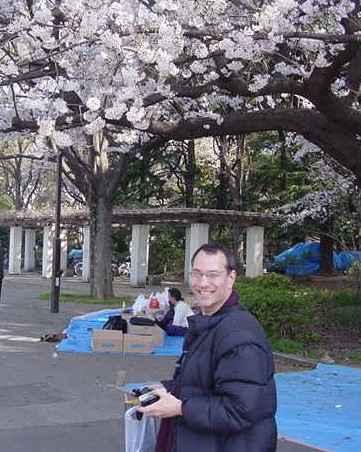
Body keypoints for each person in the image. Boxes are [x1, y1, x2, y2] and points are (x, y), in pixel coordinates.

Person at [138, 242, 277, 451]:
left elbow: (240, 410)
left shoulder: (239, 335)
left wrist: (180, 407)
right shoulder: (208, 322)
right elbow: (204, 382)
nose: (203, 283)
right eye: (197, 273)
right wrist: (169, 389)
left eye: (213, 275)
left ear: (231, 278)